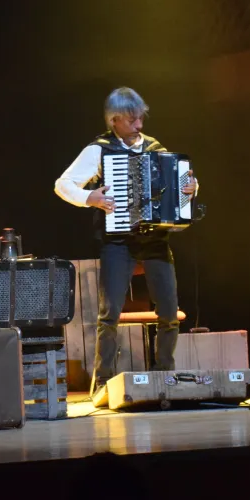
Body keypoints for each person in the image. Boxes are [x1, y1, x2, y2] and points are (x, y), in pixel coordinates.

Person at [54, 87, 197, 396]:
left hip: (156, 240)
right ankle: (103, 382)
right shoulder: (100, 150)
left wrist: (190, 189)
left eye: (141, 118)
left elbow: (181, 182)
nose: (139, 126)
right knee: (110, 315)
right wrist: (89, 197)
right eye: (132, 120)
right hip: (118, 241)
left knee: (169, 312)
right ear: (115, 120)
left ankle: (164, 376)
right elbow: (62, 184)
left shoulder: (155, 148)